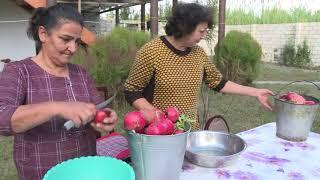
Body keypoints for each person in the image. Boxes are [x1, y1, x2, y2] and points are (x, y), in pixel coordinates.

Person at [0, 5, 118, 180]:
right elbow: (2, 118)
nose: (73, 48)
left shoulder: (80, 73)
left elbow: (95, 109)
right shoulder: (18, 71)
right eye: (65, 39)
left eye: (76, 41)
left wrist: (104, 117)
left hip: (85, 169)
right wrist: (56, 107)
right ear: (43, 34)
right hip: (40, 171)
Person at [124, 3, 274, 131]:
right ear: (184, 28)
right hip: (157, 132)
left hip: (190, 130)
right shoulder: (152, 51)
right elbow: (132, 91)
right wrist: (156, 115)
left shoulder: (199, 54)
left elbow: (218, 82)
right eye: (201, 31)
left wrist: (255, 92)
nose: (203, 36)